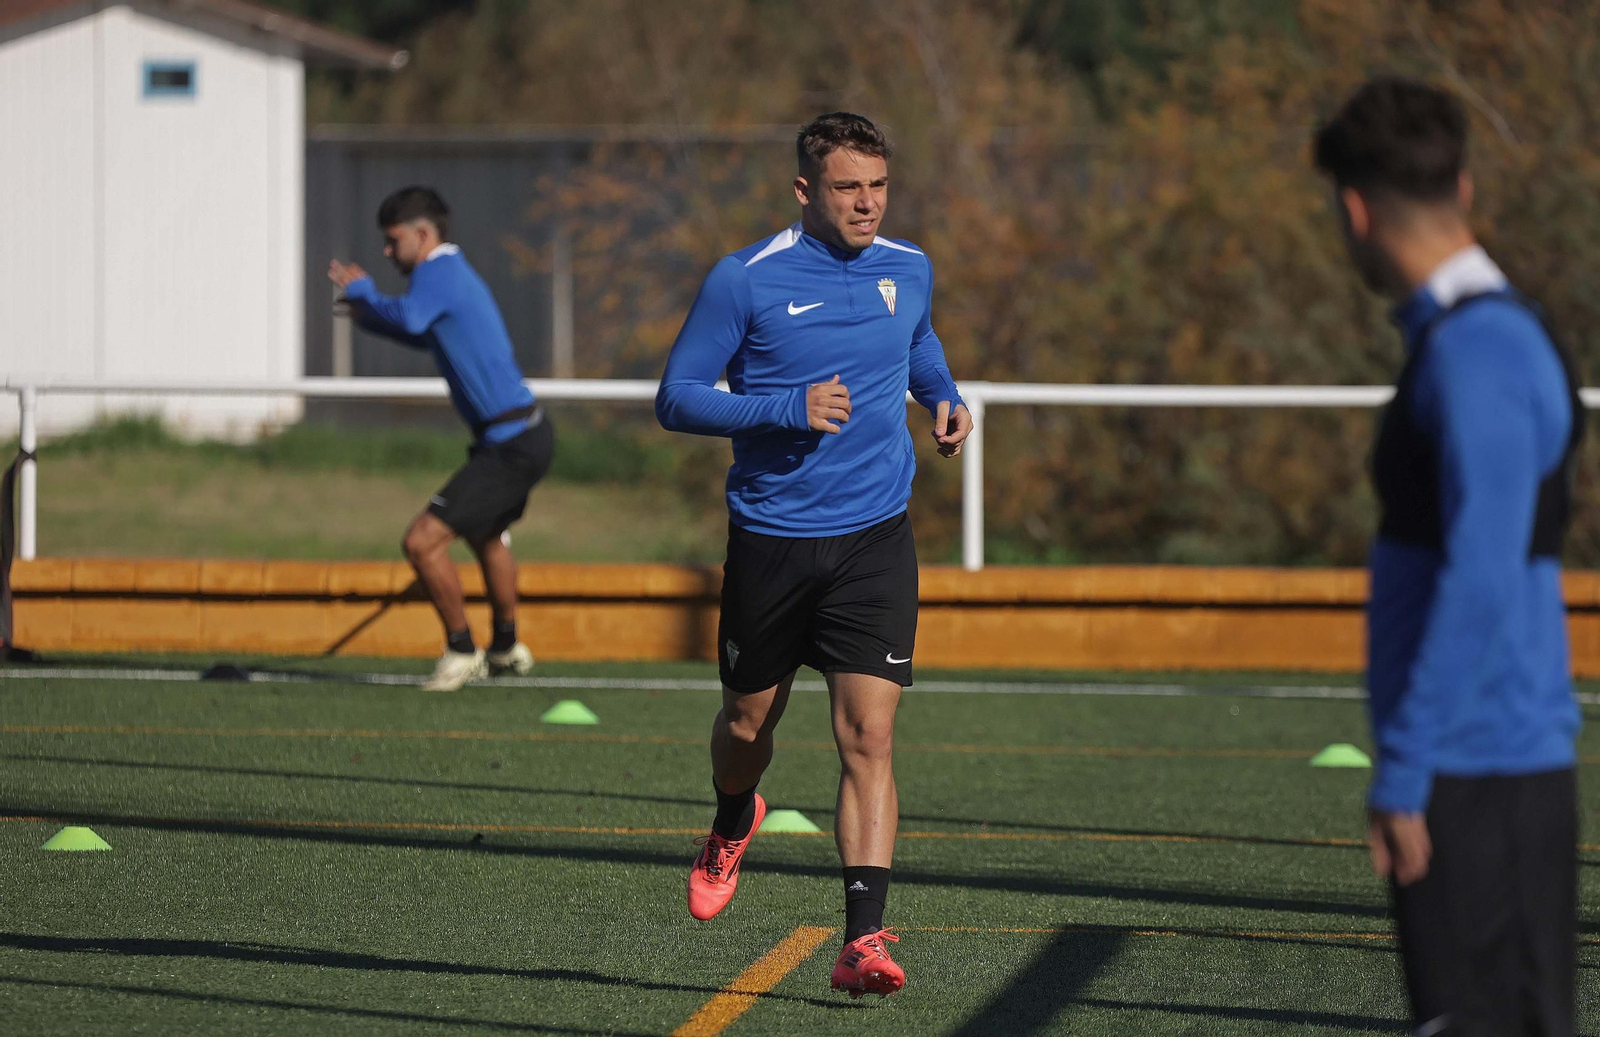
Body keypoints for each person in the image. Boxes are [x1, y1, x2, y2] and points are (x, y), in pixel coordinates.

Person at [656, 112, 970, 998]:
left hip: (876, 537)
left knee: (869, 734)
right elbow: (677, 398)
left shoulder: (908, 267)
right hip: (771, 542)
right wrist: (783, 408)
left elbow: (915, 343)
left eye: (876, 185)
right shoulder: (743, 280)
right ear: (805, 190)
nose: (866, 203)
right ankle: (731, 817)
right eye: (846, 187)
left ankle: (864, 937)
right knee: (749, 728)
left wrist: (943, 397)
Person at [1314, 77, 1583, 1036]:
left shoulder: (1483, 351)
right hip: (1474, 772)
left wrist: (1406, 768)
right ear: (1463, 187)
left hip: (1483, 776)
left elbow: (1481, 568)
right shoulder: (1461, 340)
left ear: (1353, 210)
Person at [329, 186, 553, 692]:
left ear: (423, 235)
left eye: (393, 241)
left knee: (422, 542)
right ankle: (505, 647)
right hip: (520, 436)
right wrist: (370, 320)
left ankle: (460, 649)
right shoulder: (448, 274)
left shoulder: (439, 271)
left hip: (512, 443)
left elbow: (410, 317)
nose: (388, 253)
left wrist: (364, 293)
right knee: (486, 535)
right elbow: (422, 331)